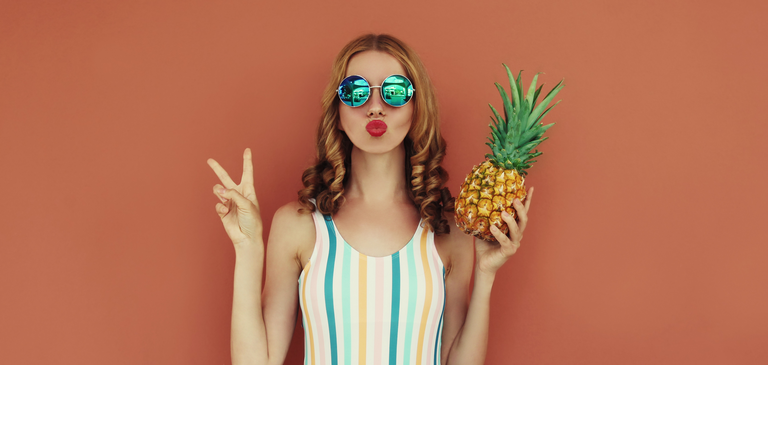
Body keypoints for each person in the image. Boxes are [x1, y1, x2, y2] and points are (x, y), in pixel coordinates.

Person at [206, 34, 533, 365]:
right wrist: (247, 249)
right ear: (338, 110)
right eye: (355, 91)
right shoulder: (298, 225)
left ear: (416, 107)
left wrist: (486, 274)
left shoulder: (448, 231)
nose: (375, 107)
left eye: (395, 91)